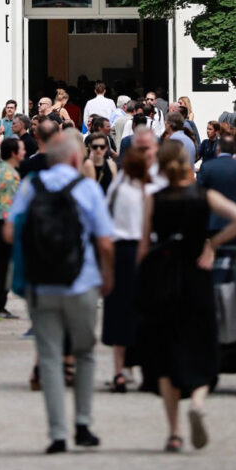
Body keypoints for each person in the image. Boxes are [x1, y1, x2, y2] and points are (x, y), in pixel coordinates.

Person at [5, 129, 114, 454]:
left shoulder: (29, 186)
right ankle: (82, 423)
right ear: (75, 157)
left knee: (50, 358)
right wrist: (108, 277)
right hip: (81, 281)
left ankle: (57, 434)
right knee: (85, 353)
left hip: (41, 284)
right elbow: (105, 242)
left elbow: (10, 232)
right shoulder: (88, 189)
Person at [137, 144, 236, 451]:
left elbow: (144, 244)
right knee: (201, 341)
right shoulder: (204, 196)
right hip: (195, 272)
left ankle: (174, 432)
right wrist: (212, 244)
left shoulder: (154, 199)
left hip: (162, 274)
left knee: (165, 353)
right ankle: (198, 403)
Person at [102, 145, 149, 392]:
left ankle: (119, 371)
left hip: (120, 251)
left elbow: (106, 221)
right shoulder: (147, 191)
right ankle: (140, 370)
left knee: (119, 312)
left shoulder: (117, 188)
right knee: (141, 311)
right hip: (142, 252)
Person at [0, 135, 22, 319]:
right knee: (3, 268)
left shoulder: (4, 170)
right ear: (14, 153)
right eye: (21, 149)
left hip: (0, 226)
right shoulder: (8, 174)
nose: (24, 152)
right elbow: (4, 207)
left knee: (3, 268)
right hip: (3, 227)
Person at [196, 135, 236, 237]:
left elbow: (199, 193)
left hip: (214, 222)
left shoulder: (207, 167)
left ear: (218, 149)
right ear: (234, 150)